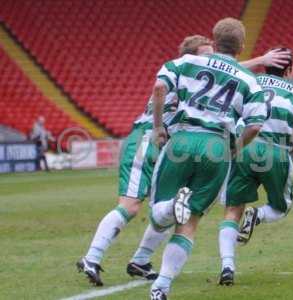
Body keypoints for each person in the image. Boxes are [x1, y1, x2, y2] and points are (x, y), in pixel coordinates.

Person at [76, 35, 214, 287]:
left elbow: (227, 74)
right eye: (206, 56)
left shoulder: (193, 79)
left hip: (167, 148)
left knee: (169, 209)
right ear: (190, 57)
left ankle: (140, 260)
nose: (211, 61)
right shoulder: (183, 75)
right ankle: (91, 258)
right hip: (147, 139)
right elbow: (161, 90)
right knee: (130, 206)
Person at [148, 18, 267, 300]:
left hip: (183, 139)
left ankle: (169, 206)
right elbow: (255, 125)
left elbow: (158, 89)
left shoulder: (187, 61)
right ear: (241, 46)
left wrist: (157, 127)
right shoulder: (249, 79)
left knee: (157, 214)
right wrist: (236, 147)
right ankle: (161, 287)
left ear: (213, 41)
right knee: (190, 222)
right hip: (217, 146)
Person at [218, 48, 293, 286]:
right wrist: (291, 146)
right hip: (276, 152)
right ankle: (258, 215)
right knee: (280, 207)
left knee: (232, 209)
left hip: (244, 147)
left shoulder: (249, 82)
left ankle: (227, 266)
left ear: (266, 65)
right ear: (290, 70)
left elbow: (225, 78)